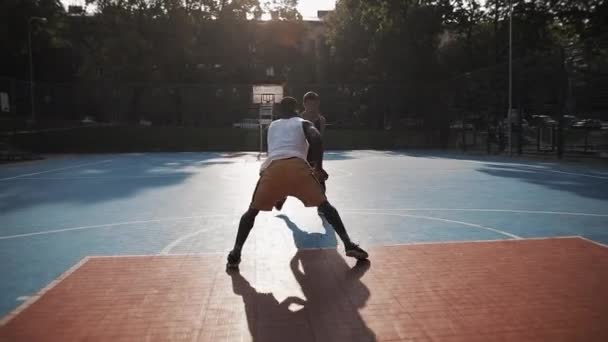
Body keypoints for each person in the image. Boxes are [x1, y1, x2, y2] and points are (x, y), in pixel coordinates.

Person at [227, 97, 368, 269]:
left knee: (251, 212)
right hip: (298, 169)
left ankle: (235, 254)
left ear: (279, 110)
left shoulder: (272, 126)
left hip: (273, 170)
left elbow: (275, 150)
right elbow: (316, 139)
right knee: (326, 207)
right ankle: (348, 244)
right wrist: (318, 167)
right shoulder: (303, 122)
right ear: (296, 109)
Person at [274, 91, 327, 211]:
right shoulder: (299, 119)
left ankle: (322, 206)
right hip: (299, 153)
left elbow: (320, 140)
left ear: (318, 104)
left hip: (313, 154)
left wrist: (319, 163)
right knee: (290, 178)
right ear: (304, 104)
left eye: (314, 104)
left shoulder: (321, 120)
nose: (311, 106)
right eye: (309, 104)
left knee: (320, 179)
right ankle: (282, 197)